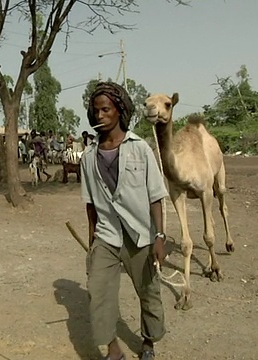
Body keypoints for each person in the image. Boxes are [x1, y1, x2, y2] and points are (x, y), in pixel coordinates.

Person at [80, 82, 168, 360]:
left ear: (120, 110)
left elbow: (156, 197)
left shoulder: (140, 149)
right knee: (99, 291)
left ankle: (148, 341)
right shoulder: (88, 157)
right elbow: (91, 205)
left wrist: (160, 237)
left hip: (140, 235)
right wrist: (92, 241)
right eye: (96, 111)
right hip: (106, 236)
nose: (100, 116)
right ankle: (113, 349)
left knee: (148, 292)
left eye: (106, 109)